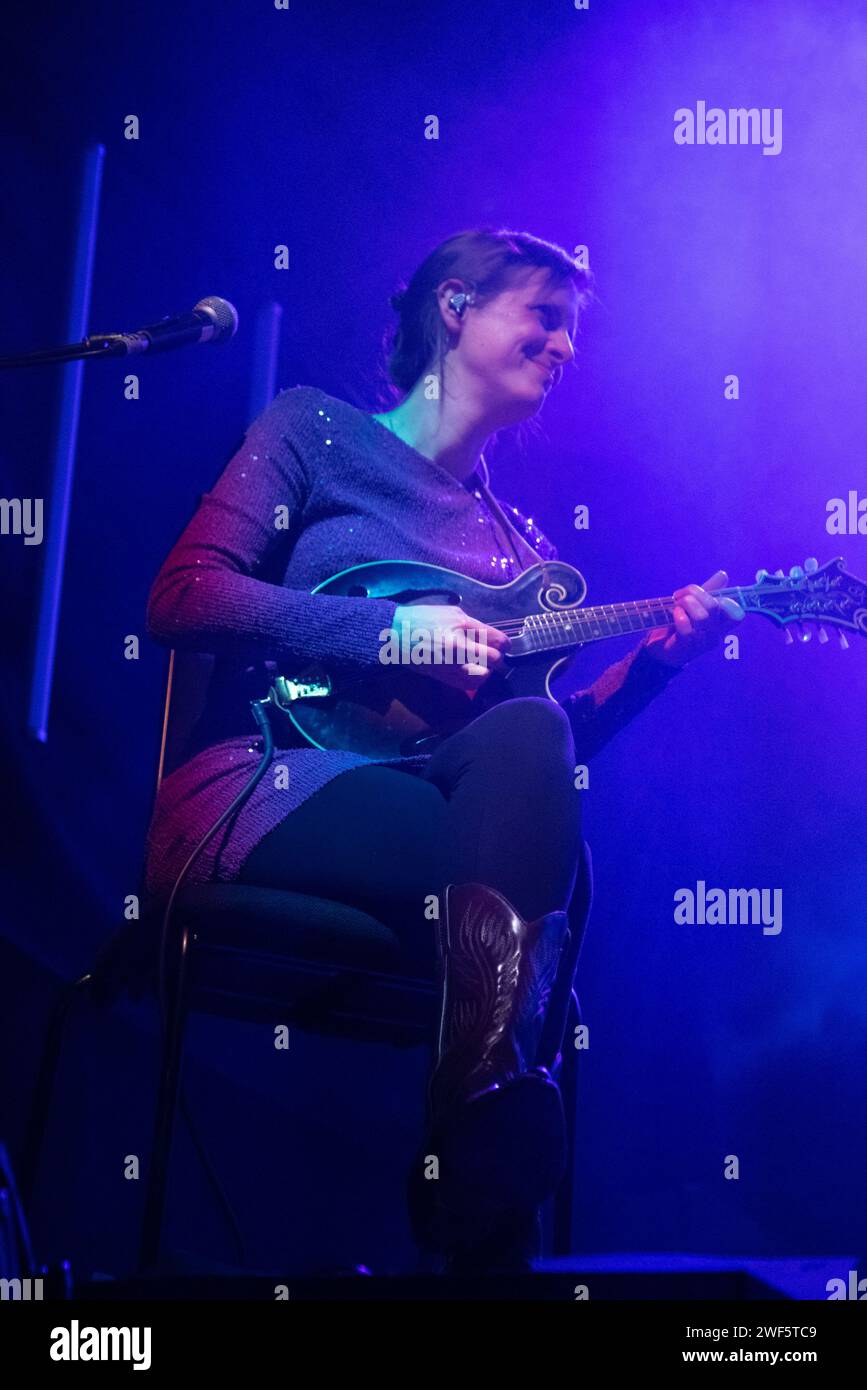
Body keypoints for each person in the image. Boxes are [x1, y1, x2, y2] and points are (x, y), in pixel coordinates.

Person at [143, 226, 743, 1275]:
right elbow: (183, 595)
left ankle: (476, 1107)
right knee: (529, 882)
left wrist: (657, 663)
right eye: (543, 317)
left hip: (438, 821)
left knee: (531, 736)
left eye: (572, 331)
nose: (565, 348)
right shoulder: (315, 433)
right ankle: (488, 1138)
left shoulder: (526, 556)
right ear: (456, 309)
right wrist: (390, 630)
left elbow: (539, 771)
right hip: (267, 784)